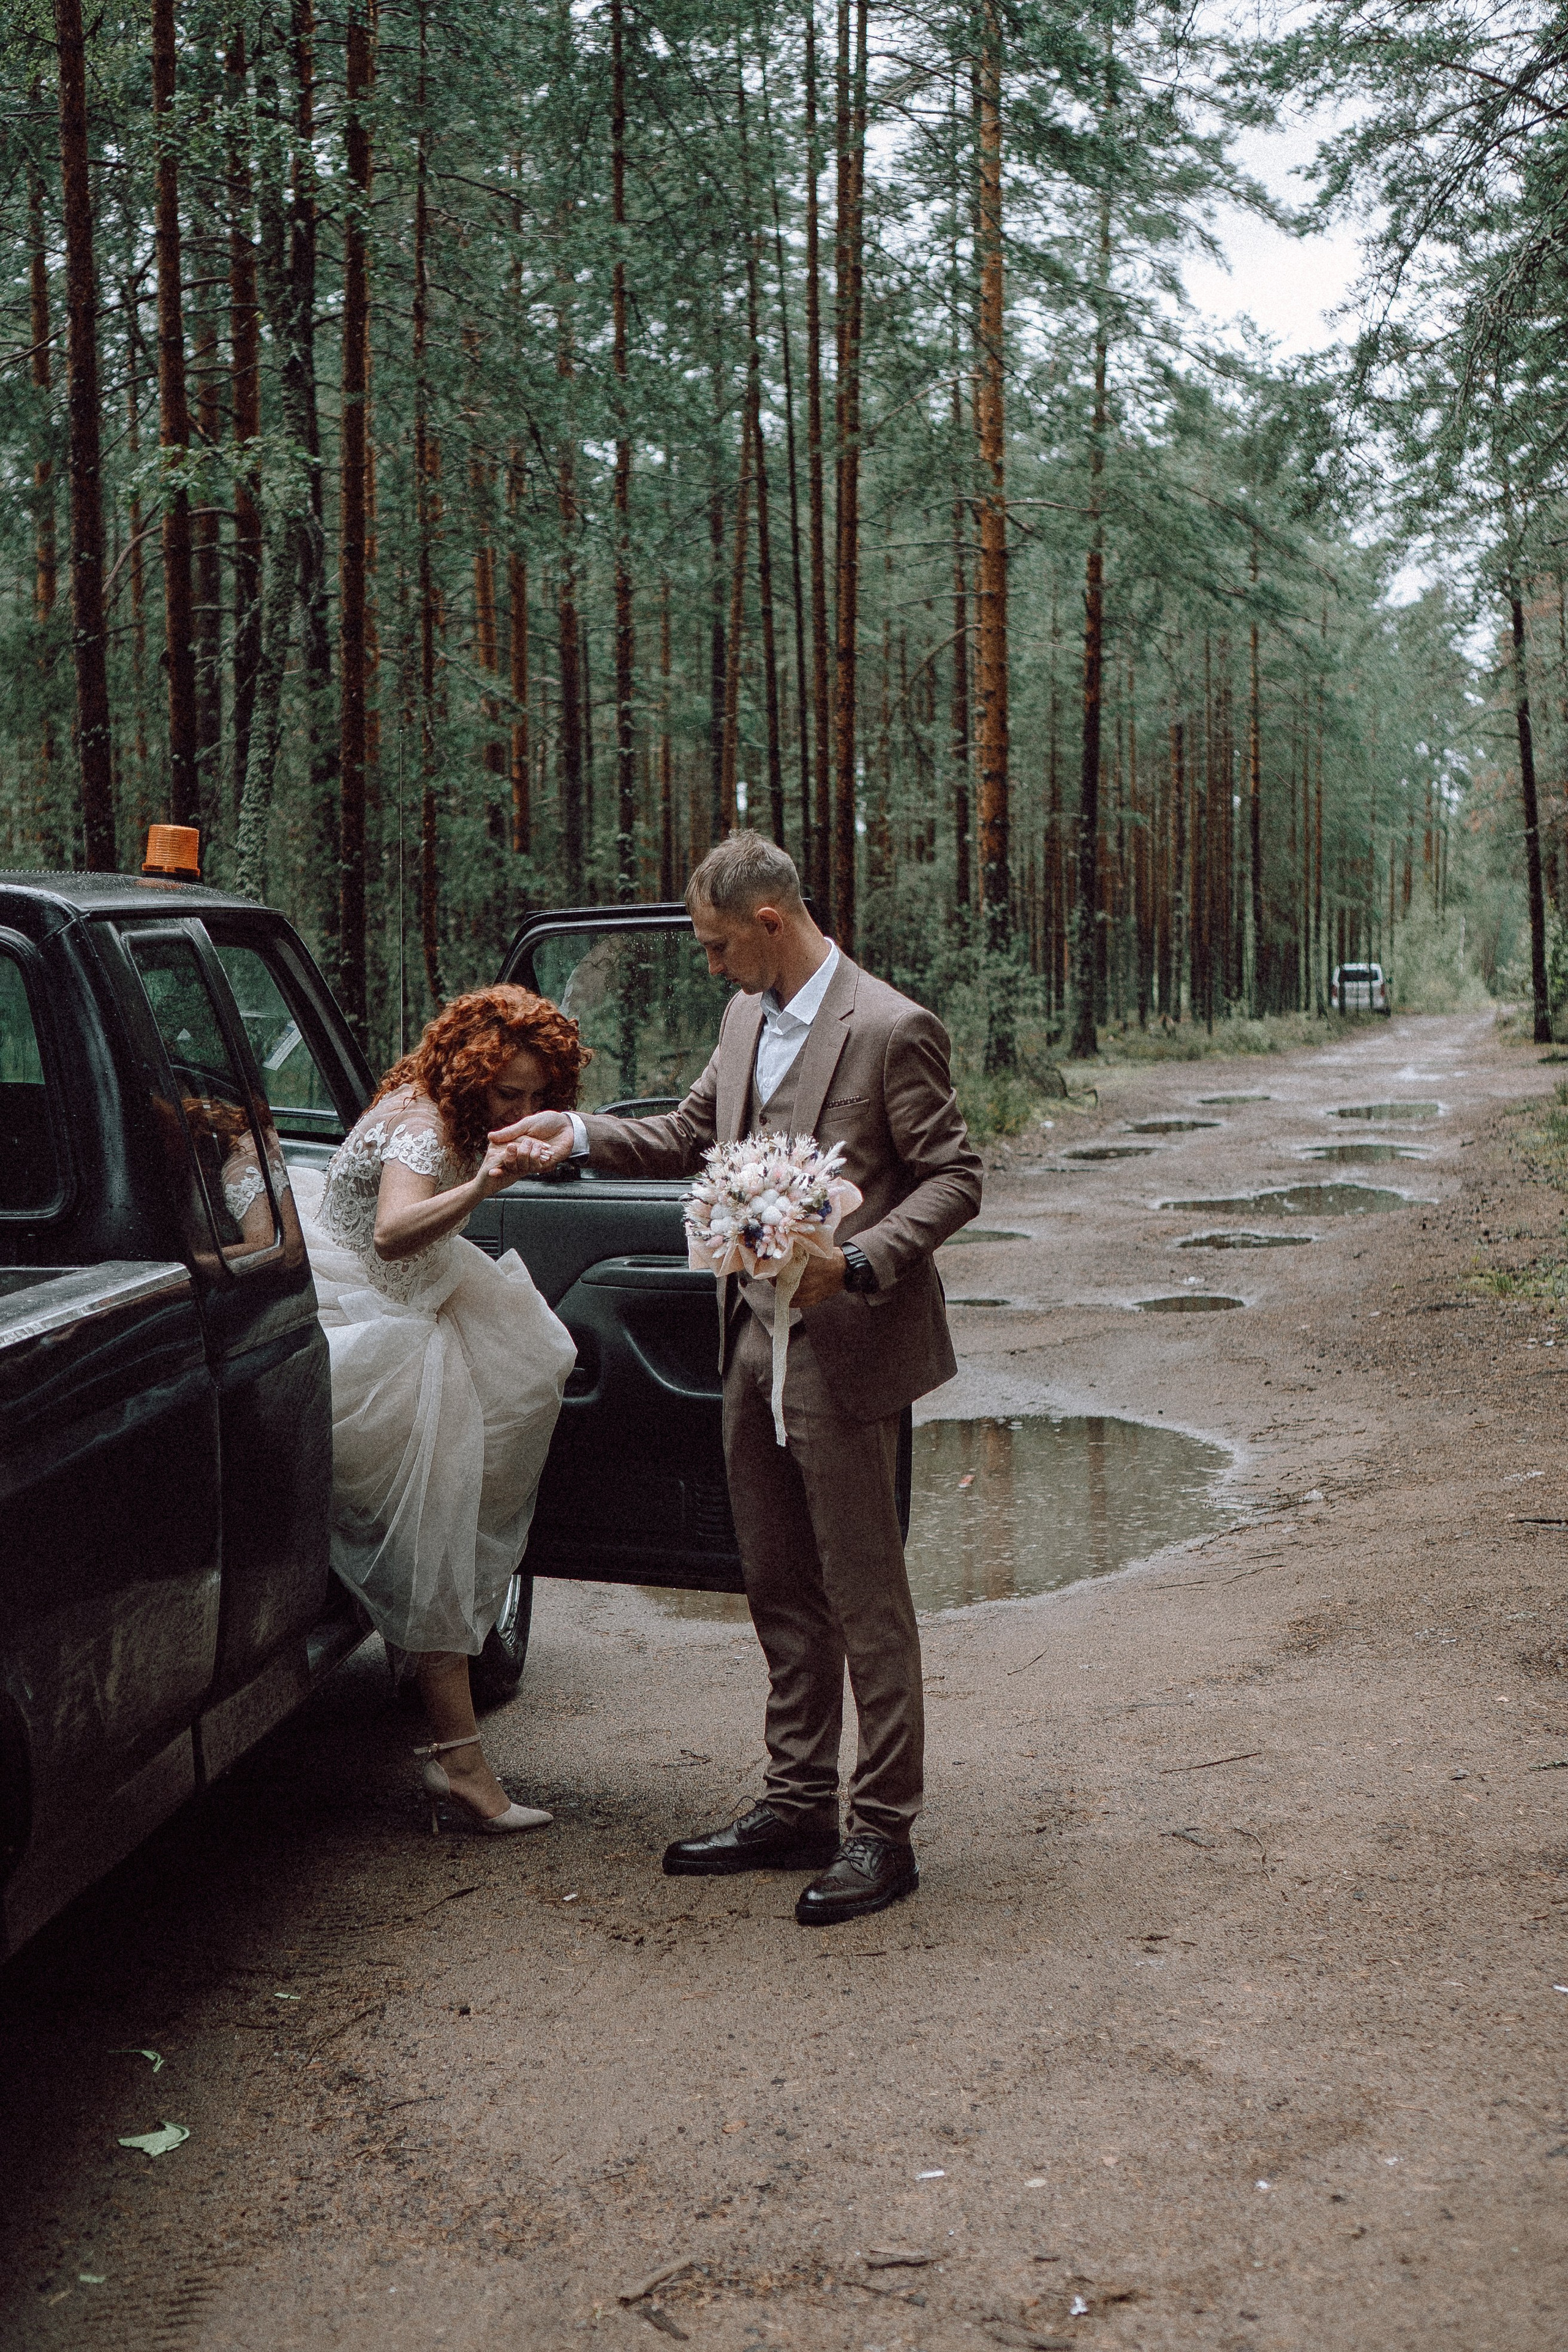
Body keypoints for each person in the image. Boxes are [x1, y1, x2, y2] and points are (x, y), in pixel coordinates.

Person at [496, 833, 983, 1923]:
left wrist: (858, 1263)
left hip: (848, 1348)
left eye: (719, 946)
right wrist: (568, 1132)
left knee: (865, 1596)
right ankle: (797, 1801)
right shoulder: (743, 1019)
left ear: (770, 922)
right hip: (748, 1344)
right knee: (775, 1581)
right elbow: (685, 1133)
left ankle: (884, 1831)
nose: (711, 967)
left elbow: (955, 1177)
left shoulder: (891, 1028)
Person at [293, 987, 582, 1834]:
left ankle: (424, 1683)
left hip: (427, 1294)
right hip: (372, 1319)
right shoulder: (422, 1126)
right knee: (436, 1527)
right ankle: (459, 1764)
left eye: (540, 1095)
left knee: (542, 1367)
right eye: (508, 1095)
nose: (524, 1111)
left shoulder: (450, 1109)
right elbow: (390, 1233)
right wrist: (486, 1182)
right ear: (469, 1076)